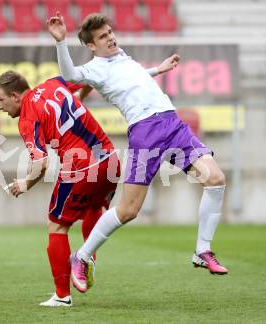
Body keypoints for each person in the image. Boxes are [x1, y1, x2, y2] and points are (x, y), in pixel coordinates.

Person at [47, 12, 228, 293]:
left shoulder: (121, 56)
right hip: (145, 134)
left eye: (110, 32)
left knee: (215, 178)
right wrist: (60, 42)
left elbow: (133, 78)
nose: (111, 38)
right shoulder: (94, 69)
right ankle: (81, 257)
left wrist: (159, 69)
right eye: (103, 37)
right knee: (129, 210)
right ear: (91, 46)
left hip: (172, 124)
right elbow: (71, 75)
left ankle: (202, 251)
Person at [0, 71, 121, 307]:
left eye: (0, 99)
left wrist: (25, 183)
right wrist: (79, 98)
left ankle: (62, 296)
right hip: (110, 158)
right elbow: (88, 78)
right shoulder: (54, 83)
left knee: (57, 225)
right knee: (94, 206)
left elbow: (41, 163)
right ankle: (88, 256)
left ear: (15, 95)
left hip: (81, 166)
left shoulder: (27, 118)